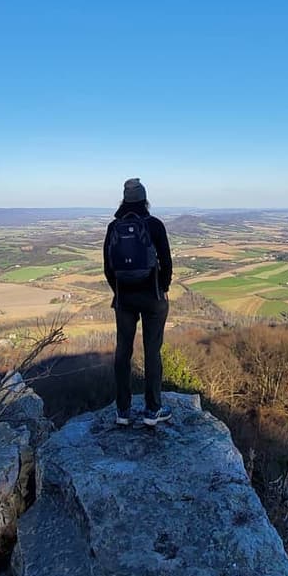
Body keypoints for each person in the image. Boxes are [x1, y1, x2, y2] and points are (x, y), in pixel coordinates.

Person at [103, 178, 173, 426]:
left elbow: (108, 268)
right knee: (152, 351)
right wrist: (162, 288)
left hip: (124, 300)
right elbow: (166, 262)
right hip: (153, 298)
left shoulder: (114, 227)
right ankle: (152, 411)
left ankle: (123, 411)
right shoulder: (154, 225)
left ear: (124, 201)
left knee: (123, 352)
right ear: (145, 200)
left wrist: (119, 291)